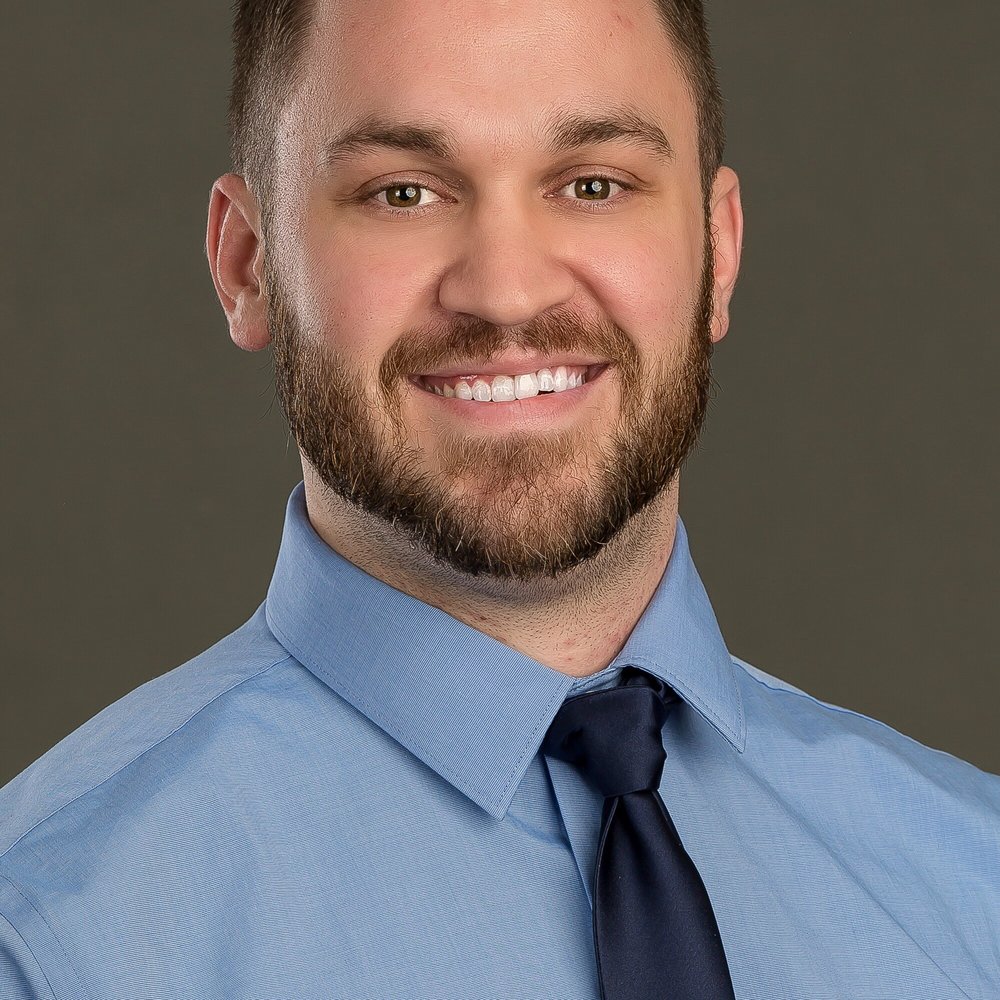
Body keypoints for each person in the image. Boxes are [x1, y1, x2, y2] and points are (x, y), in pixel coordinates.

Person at [2, 0, 997, 996]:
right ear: (245, 266)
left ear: (718, 248)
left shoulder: (972, 881)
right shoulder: (50, 942)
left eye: (594, 184)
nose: (507, 292)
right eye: (402, 193)